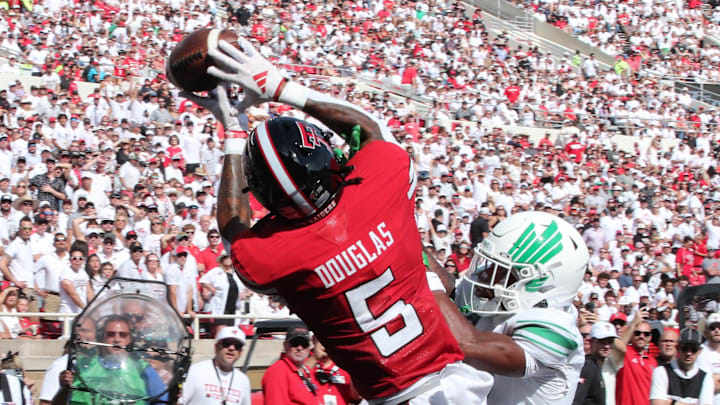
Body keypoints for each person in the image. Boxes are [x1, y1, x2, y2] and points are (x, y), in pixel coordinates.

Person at [188, 37, 493, 403]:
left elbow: (233, 231)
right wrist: (281, 87)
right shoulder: (381, 184)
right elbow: (372, 131)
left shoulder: (277, 256)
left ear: (262, 198)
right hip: (456, 386)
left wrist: (233, 135)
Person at [445, 212, 588, 404]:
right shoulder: (502, 302)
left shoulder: (557, 328)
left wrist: (425, 281)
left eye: (502, 271)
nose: (485, 275)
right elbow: (450, 291)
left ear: (540, 282)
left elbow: (467, 344)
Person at [52, 315, 168, 404]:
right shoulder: (81, 367)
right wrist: (64, 389)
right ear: (102, 337)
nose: (117, 340)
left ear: (130, 340)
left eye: (123, 335)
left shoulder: (144, 371)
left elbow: (163, 402)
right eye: (111, 334)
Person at [181, 326, 251, 405]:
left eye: (237, 346)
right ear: (216, 347)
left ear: (241, 352)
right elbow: (179, 401)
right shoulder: (196, 371)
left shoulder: (243, 380)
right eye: (226, 343)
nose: (231, 348)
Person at [650, 327, 713, 405]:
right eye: (685, 349)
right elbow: (657, 403)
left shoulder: (705, 378)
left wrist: (671, 402)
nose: (689, 353)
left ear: (700, 351)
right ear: (678, 348)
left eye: (693, 349)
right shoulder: (661, 371)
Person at [262, 326, 318, 404]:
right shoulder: (278, 371)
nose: (299, 348)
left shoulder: (307, 371)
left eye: (304, 344)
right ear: (285, 345)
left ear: (309, 347)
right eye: (295, 343)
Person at [574, 322, 618, 405]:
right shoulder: (587, 367)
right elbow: (576, 401)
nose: (607, 346)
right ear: (591, 342)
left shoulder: (597, 367)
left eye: (610, 342)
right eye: (602, 341)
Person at [308, 333, 360, 405]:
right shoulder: (304, 362)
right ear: (313, 339)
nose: (325, 342)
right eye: (321, 338)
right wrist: (314, 358)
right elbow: (294, 382)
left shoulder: (345, 366)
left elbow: (357, 396)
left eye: (329, 339)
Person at [695, 312, 720, 405]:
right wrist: (713, 380)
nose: (717, 330)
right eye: (712, 328)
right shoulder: (701, 353)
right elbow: (707, 384)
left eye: (719, 327)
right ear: (706, 332)